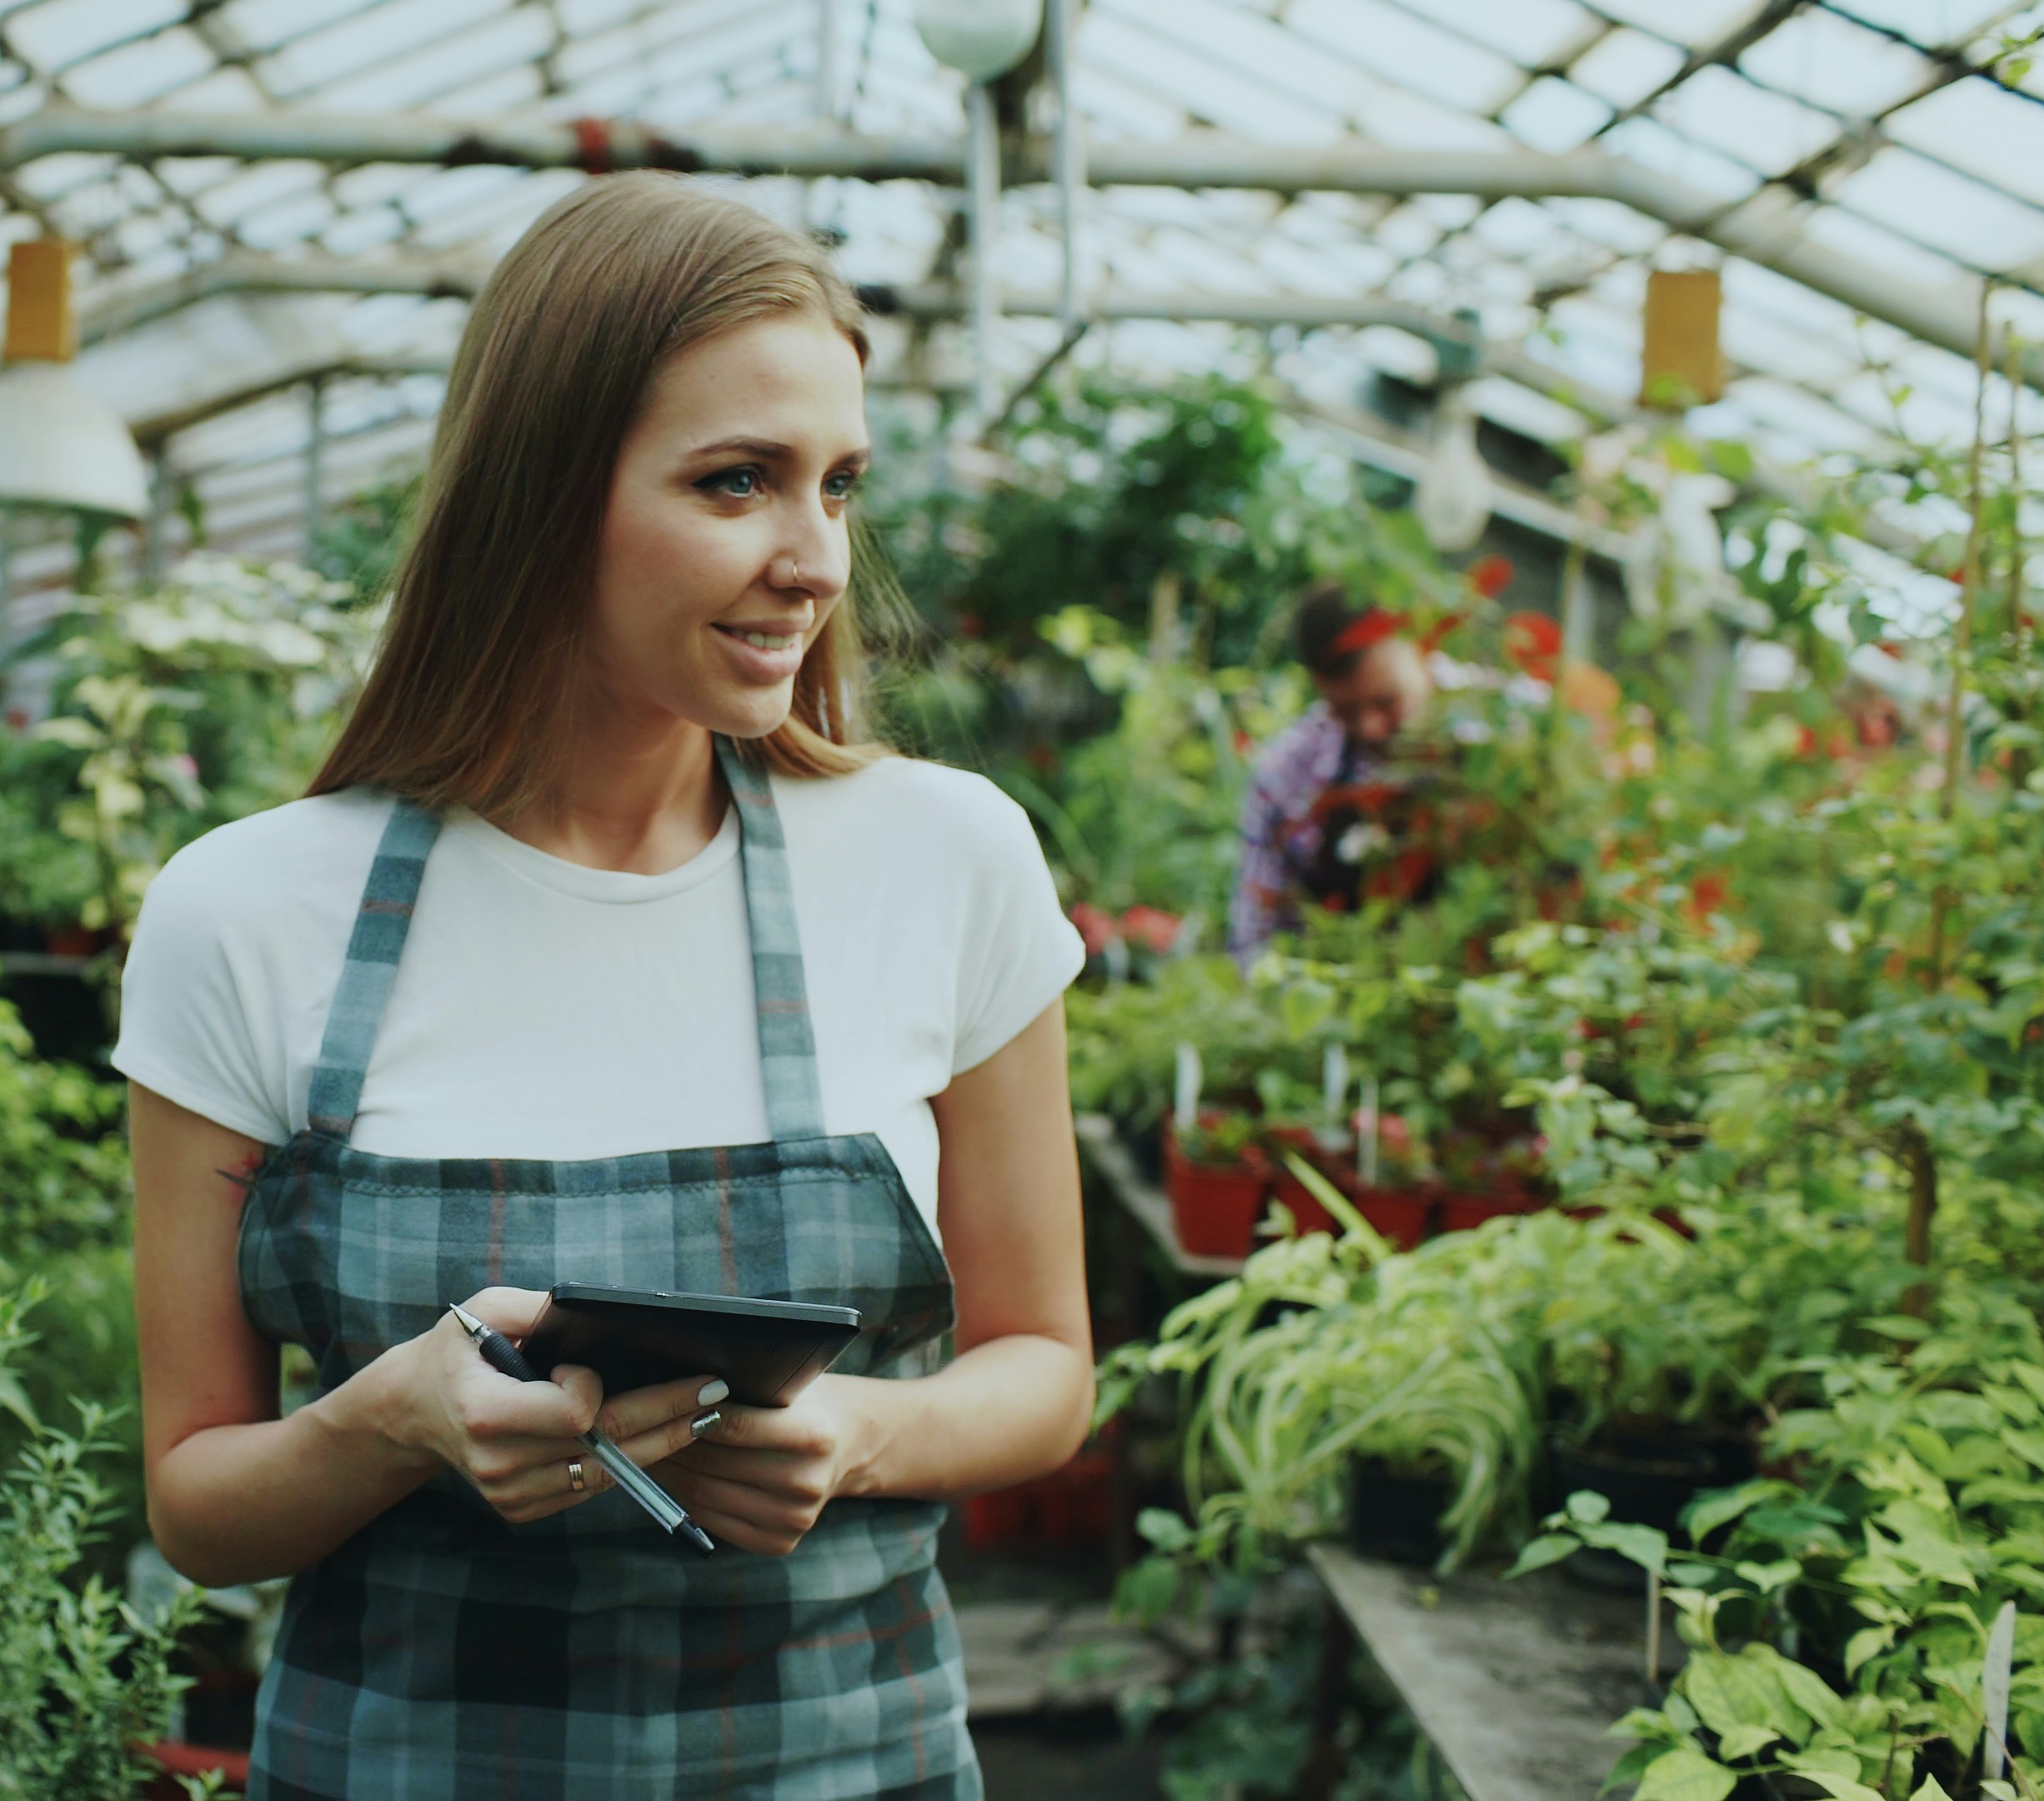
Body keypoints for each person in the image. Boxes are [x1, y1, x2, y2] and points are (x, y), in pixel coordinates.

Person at [117, 174, 1095, 1799]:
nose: (813, 560)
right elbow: (196, 1504)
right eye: (737, 483)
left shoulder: (942, 859)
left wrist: (855, 1433)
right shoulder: (250, 913)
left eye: (837, 487)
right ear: (545, 495)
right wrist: (393, 1423)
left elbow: (1045, 1367)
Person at [1228, 582, 1436, 970]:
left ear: (1417, 645)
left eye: (1386, 701)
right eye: (1345, 710)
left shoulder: (1514, 732)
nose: (1370, 728)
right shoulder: (1286, 775)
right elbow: (1254, 940)